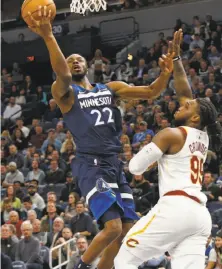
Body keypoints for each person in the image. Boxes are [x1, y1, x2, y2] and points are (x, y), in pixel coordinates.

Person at [27, 7, 173, 269]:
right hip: (91, 163)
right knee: (113, 226)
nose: (74, 62)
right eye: (69, 59)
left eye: (78, 58)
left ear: (89, 65)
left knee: (126, 229)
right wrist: (49, 36)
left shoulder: (110, 88)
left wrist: (165, 73)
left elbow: (151, 92)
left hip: (113, 163)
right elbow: (62, 74)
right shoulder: (65, 93)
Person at [114, 29, 222, 269]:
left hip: (175, 208)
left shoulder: (170, 134)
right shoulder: (201, 136)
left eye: (186, 106)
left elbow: (135, 167)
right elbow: (185, 91)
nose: (180, 104)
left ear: (194, 117)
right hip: (198, 215)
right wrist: (175, 60)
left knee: (124, 260)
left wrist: (152, 154)